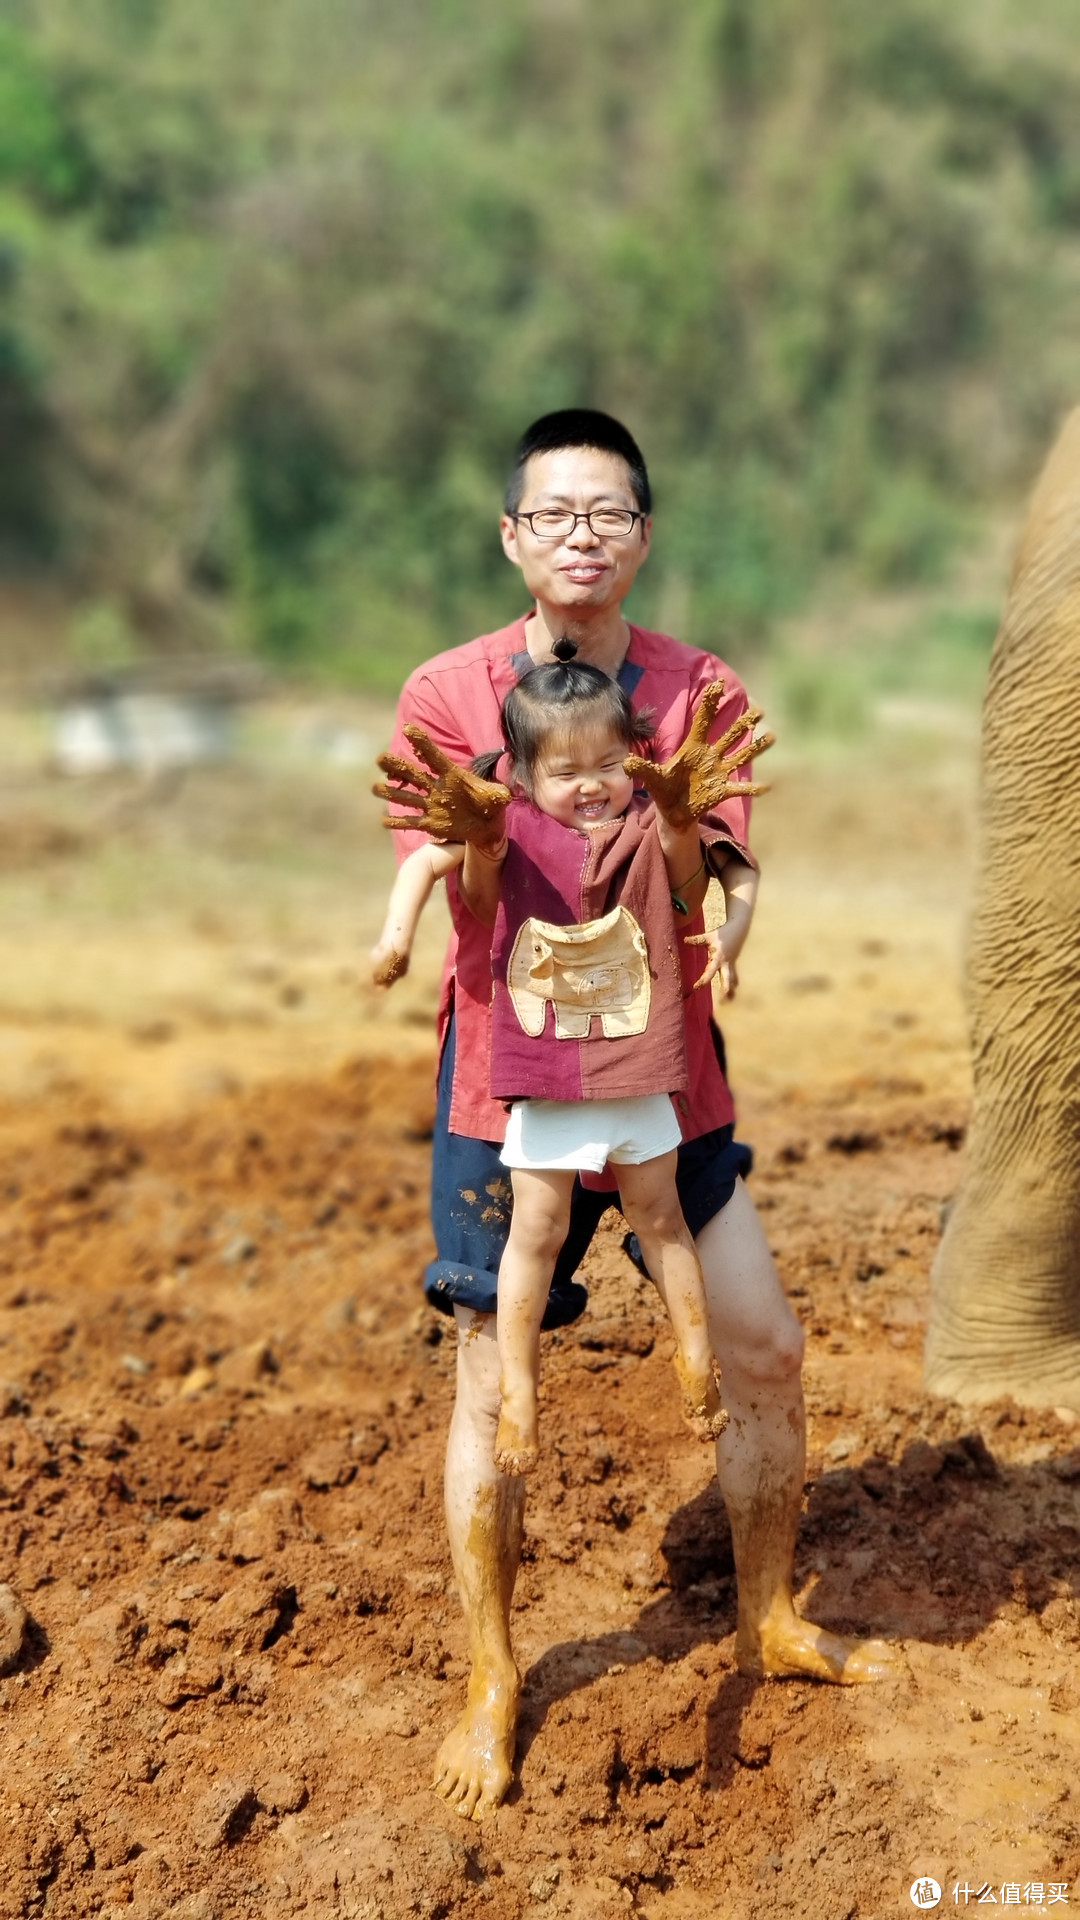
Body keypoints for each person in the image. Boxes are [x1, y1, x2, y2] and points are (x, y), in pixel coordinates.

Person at [375, 408, 897, 1823]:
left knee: (768, 1348)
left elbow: (722, 860)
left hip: (673, 1077)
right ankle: (494, 1680)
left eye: (608, 513)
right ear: (512, 537)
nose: (582, 536)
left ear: (645, 536)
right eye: (554, 514)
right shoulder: (447, 696)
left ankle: (767, 1614)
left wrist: (705, 865)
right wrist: (470, 851)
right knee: (493, 1382)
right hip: (510, 1086)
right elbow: (462, 909)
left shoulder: (697, 690)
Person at [397, 647, 768, 1471]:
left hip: (637, 1063)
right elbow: (468, 893)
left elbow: (690, 882)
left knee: (661, 1216)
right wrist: (414, 914)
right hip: (545, 1072)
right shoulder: (506, 836)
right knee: (534, 1227)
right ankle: (523, 1395)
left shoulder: (651, 822)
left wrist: (680, 828)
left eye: (612, 762)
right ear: (521, 776)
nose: (595, 783)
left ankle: (695, 1360)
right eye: (569, 771)